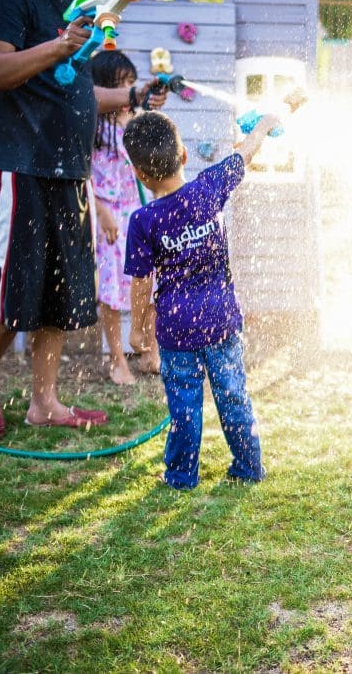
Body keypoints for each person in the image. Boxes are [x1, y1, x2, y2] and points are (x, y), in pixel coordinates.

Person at [0, 0, 167, 437]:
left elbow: (74, 87)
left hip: (69, 169)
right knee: (19, 280)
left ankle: (45, 402)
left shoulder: (70, 4)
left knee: (59, 287)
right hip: (22, 163)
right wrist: (59, 45)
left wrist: (132, 95)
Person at [121, 110, 280, 490]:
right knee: (233, 396)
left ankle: (180, 476)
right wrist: (265, 124)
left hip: (176, 328)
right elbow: (246, 154)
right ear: (184, 156)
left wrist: (138, 332)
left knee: (185, 406)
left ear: (140, 174)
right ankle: (247, 466)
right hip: (221, 318)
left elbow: (142, 285)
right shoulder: (209, 187)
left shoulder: (144, 220)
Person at [91, 50, 160, 385]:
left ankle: (150, 350)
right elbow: (83, 174)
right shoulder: (93, 127)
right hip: (110, 218)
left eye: (132, 83)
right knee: (112, 289)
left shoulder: (135, 120)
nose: (129, 91)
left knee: (149, 283)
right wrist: (102, 212)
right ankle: (117, 359)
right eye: (122, 85)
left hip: (139, 211)